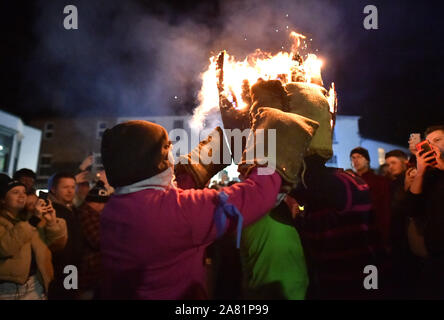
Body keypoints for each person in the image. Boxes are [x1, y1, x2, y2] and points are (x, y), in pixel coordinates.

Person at [99, 106, 317, 299]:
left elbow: (164, 205)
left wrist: (204, 162)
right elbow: (254, 196)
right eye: (167, 149)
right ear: (156, 162)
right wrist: (271, 151)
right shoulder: (177, 212)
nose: (174, 154)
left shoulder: (116, 208)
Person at [0, 175, 67, 300]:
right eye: (15, 192)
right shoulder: (27, 221)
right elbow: (4, 248)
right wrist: (33, 221)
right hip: (7, 290)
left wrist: (52, 222)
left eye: (24, 192)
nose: (22, 195)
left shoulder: (30, 218)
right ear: (3, 200)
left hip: (36, 286)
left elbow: (57, 245)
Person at [403, 125, 444, 298]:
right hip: (435, 254)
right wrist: (420, 172)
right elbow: (413, 209)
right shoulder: (428, 175)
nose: (432, 145)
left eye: (438, 140)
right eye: (428, 142)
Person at [47, 172, 85, 300]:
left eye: (72, 187)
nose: (70, 191)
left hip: (71, 267)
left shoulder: (71, 209)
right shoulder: (50, 211)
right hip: (61, 268)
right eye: (65, 187)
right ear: (53, 189)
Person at [350, 147, 392, 250]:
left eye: (359, 157)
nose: (355, 160)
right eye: (353, 158)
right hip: (358, 231)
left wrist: (386, 235)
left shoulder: (380, 181)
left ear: (367, 160)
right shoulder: (350, 181)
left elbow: (385, 208)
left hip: (376, 229)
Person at [77, 180, 110, 300]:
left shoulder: (88, 213)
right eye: (104, 203)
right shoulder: (87, 215)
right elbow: (98, 240)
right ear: (97, 202)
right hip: (89, 271)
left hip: (91, 271)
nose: (105, 207)